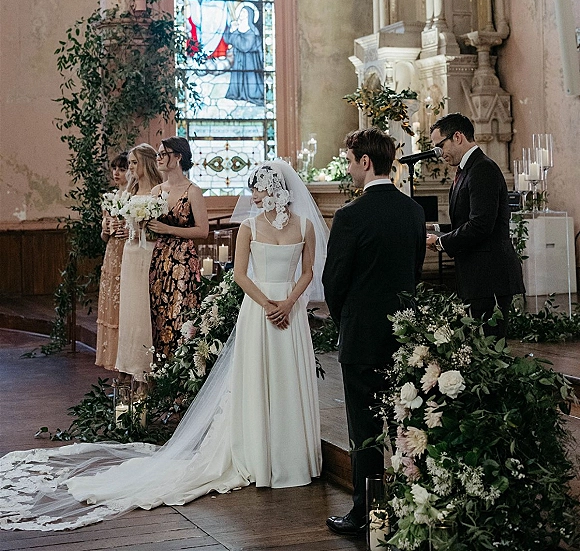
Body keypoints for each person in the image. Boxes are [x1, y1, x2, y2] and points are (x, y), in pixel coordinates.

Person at [0, 160, 328, 532]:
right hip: (260, 311)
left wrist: (288, 303)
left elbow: (307, 272)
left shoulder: (303, 226)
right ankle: (261, 454)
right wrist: (270, 304)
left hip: (291, 312)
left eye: (257, 189)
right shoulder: (249, 228)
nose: (252, 197)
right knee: (258, 381)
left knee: (289, 382)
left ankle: (293, 458)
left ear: (274, 189)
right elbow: (239, 275)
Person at [323, 128, 426, 537]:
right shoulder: (414, 211)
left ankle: (366, 510)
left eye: (349, 161)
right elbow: (416, 272)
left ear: (365, 162)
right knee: (406, 418)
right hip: (405, 335)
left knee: (364, 428)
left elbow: (335, 282)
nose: (349, 170)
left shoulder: (350, 215)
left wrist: (345, 319)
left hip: (362, 336)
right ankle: (410, 501)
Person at [426, 112, 524, 339]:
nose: (439, 154)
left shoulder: (482, 169)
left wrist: (440, 243)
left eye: (440, 146)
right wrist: (435, 229)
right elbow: (465, 221)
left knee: (490, 345)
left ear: (458, 137)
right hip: (476, 275)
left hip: (489, 275)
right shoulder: (467, 169)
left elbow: (481, 224)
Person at [147, 137, 209, 359]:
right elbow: (151, 227)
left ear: (179, 156)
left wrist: (168, 229)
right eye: (158, 155)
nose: (159, 159)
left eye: (164, 154)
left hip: (183, 260)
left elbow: (203, 231)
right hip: (160, 260)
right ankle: (159, 373)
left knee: (181, 314)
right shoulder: (156, 191)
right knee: (159, 313)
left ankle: (181, 373)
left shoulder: (193, 191)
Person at [115, 144, 162, 385]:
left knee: (145, 308)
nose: (131, 167)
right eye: (130, 163)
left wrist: (146, 226)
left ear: (146, 163)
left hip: (149, 252)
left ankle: (147, 367)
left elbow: (160, 227)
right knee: (131, 309)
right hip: (131, 252)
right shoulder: (129, 192)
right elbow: (125, 223)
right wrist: (124, 229)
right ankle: (129, 364)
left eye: (134, 162)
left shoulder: (158, 191)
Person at [95, 153, 129, 371]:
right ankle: (115, 365)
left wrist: (125, 228)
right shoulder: (110, 198)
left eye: (122, 168)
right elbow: (104, 236)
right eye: (114, 168)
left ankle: (126, 362)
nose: (116, 173)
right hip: (112, 254)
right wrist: (106, 229)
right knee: (111, 305)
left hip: (128, 253)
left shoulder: (134, 197)